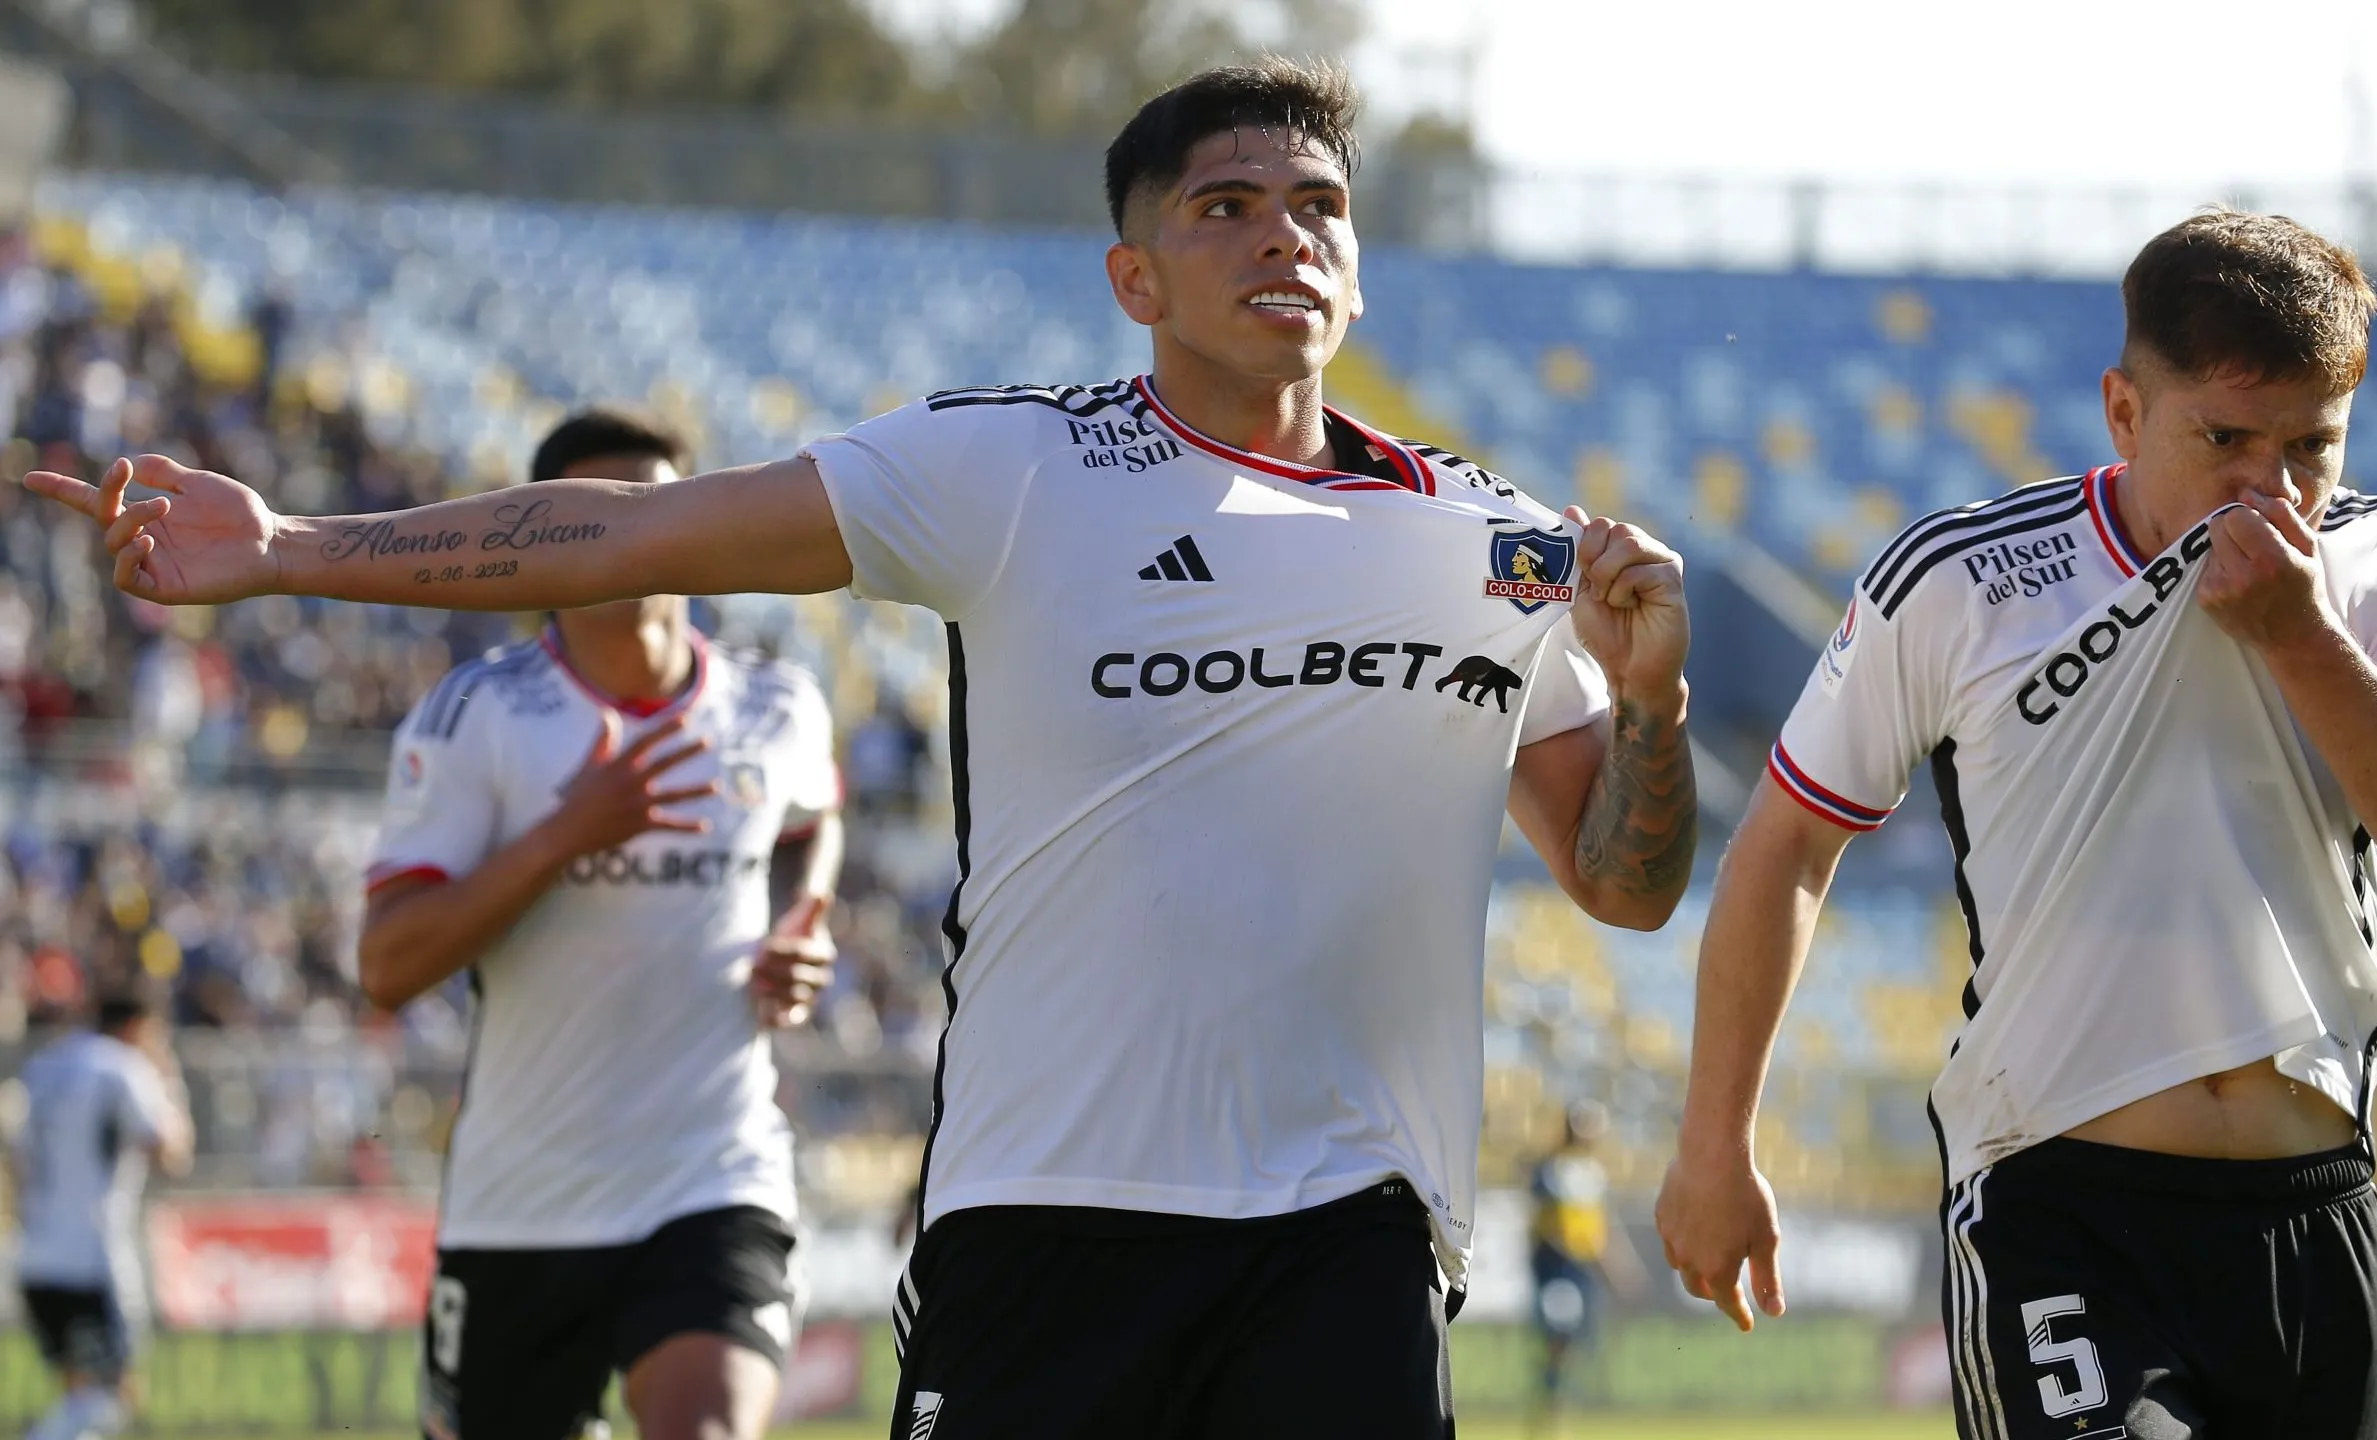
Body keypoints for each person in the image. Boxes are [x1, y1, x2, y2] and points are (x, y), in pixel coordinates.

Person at [24, 59, 1699, 1439]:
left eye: (1322, 205)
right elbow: (628, 538)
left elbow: (1624, 885)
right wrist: (292, 545)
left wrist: (1652, 708)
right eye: (1228, 205)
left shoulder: (1501, 548)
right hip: (1047, 1213)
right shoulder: (1014, 471)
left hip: (1353, 1236)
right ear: (1137, 276)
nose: (1288, 237)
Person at [1654, 211, 2377, 1440]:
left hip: (2313, 1212)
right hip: (2059, 1207)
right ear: (2124, 412)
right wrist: (1715, 1143)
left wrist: (2300, 639)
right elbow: (1784, 846)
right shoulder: (1960, 580)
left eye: (2309, 448)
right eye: (2223, 439)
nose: (2267, 489)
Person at [355, 410, 846, 1440]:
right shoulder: (477, 716)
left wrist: (802, 919)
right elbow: (388, 966)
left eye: (651, 506)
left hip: (711, 1175)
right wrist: (562, 838)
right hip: (520, 1203)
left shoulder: (776, 703)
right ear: (538, 537)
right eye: (594, 512)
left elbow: (811, 821)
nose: (627, 531)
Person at [10, 988, 194, 1440]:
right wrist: (168, 1082)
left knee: (80, 1398)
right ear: (137, 1027)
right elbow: (172, 1154)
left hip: (35, 1258)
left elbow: (14, 1159)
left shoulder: (42, 1067)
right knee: (112, 1397)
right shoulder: (123, 1067)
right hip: (93, 1259)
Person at [1524, 1100, 1644, 1436]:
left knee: (1578, 1344)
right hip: (1557, 1267)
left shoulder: (1593, 1173)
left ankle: (1555, 1408)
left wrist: (1618, 1269)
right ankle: (1550, 1413)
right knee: (1559, 1334)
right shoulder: (1551, 1169)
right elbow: (1542, 1224)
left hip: (1584, 1270)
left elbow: (1602, 1229)